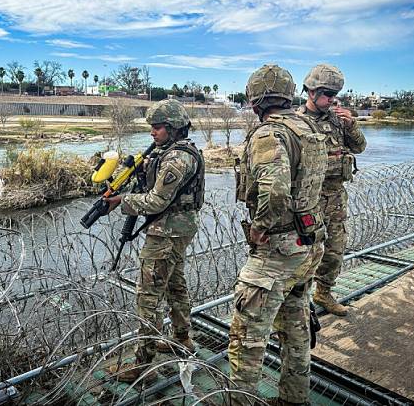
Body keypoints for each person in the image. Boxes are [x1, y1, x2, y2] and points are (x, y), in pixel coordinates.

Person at [228, 64, 327, 406]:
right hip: (308, 243)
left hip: (278, 251)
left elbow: (276, 189)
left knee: (247, 336)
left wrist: (259, 227)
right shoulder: (309, 129)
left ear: (255, 100)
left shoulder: (269, 133)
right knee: (296, 328)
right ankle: (293, 399)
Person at [104, 99, 205, 382]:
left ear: (173, 129)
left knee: (148, 297)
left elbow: (157, 200)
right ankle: (182, 339)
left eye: (157, 127)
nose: (152, 132)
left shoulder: (176, 159)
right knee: (175, 285)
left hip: (166, 233)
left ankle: (142, 366)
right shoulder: (175, 153)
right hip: (176, 230)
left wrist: (122, 201)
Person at [298, 64, 366, 316]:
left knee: (335, 250)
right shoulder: (298, 122)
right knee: (305, 254)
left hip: (336, 196)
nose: (332, 99)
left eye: (335, 94)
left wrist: (352, 126)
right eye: (327, 94)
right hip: (309, 200)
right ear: (311, 91)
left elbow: (360, 147)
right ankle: (298, 305)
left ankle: (324, 293)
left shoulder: (339, 121)